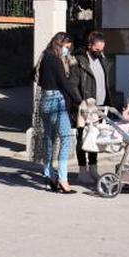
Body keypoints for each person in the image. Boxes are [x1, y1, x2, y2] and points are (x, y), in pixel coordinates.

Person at [73, 31, 116, 186]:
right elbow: (73, 84)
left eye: (102, 49)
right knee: (82, 138)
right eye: (97, 49)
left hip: (99, 106)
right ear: (89, 45)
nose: (100, 52)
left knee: (94, 138)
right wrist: (80, 102)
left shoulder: (102, 60)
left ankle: (93, 168)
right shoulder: (80, 61)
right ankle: (82, 171)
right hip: (85, 107)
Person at [38, 32, 77, 192]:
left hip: (44, 101)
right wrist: (78, 99)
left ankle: (49, 176)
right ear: (60, 44)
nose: (67, 51)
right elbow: (65, 83)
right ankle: (63, 179)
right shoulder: (55, 60)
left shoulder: (44, 57)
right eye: (66, 48)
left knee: (49, 140)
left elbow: (37, 79)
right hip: (56, 102)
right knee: (66, 139)